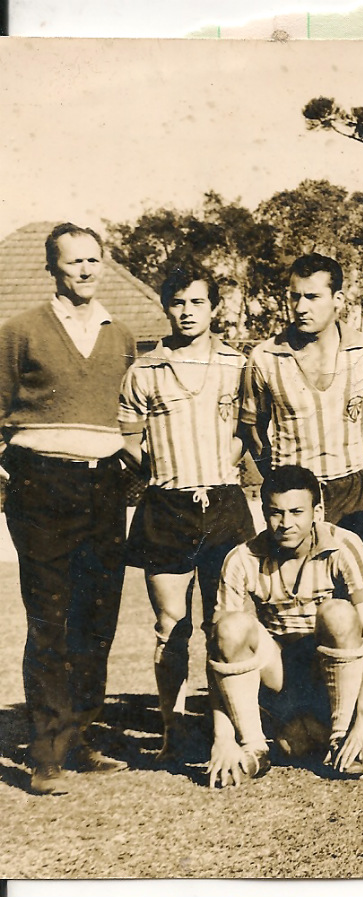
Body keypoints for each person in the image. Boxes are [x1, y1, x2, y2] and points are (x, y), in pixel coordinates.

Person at [0, 222, 136, 795]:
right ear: (52, 269)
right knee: (50, 619)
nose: (84, 270)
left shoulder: (121, 334)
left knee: (97, 617)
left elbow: (131, 417)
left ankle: (80, 736)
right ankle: (46, 753)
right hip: (41, 484)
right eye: (73, 261)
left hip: (104, 486)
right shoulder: (20, 332)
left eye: (92, 260)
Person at [119, 263, 255, 762]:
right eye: (178, 303)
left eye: (198, 302)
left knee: (225, 622)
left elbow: (248, 432)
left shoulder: (238, 365)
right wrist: (165, 472)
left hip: (224, 503)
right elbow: (128, 441)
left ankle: (229, 730)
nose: (187, 312)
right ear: (166, 308)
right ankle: (172, 730)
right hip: (166, 506)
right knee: (171, 625)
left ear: (214, 308)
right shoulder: (144, 370)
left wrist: (222, 464)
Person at [206, 464, 363, 787]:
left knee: (338, 613)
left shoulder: (344, 545)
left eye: (296, 512)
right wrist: (223, 738)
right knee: (229, 627)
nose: (286, 523)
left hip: (332, 672)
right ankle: (253, 746)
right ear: (264, 512)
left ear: (317, 511)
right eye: (276, 513)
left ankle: (341, 737)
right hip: (279, 675)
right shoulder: (241, 558)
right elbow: (217, 653)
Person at [239, 253, 363, 546]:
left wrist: (358, 468)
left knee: (355, 570)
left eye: (312, 297)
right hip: (293, 498)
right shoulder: (265, 356)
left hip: (353, 492)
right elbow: (253, 431)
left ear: (338, 299)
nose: (300, 307)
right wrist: (280, 479)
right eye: (295, 297)